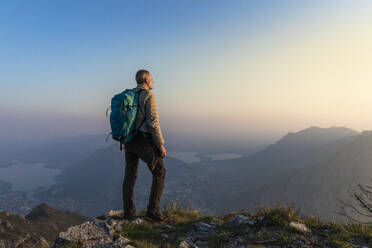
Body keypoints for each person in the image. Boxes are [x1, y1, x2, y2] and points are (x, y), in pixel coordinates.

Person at [122, 69, 167, 221]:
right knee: (160, 172)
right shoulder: (148, 95)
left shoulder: (130, 95)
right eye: (152, 79)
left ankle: (129, 213)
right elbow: (153, 122)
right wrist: (160, 144)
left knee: (130, 176)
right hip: (143, 140)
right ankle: (152, 212)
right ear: (146, 80)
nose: (153, 81)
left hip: (128, 140)